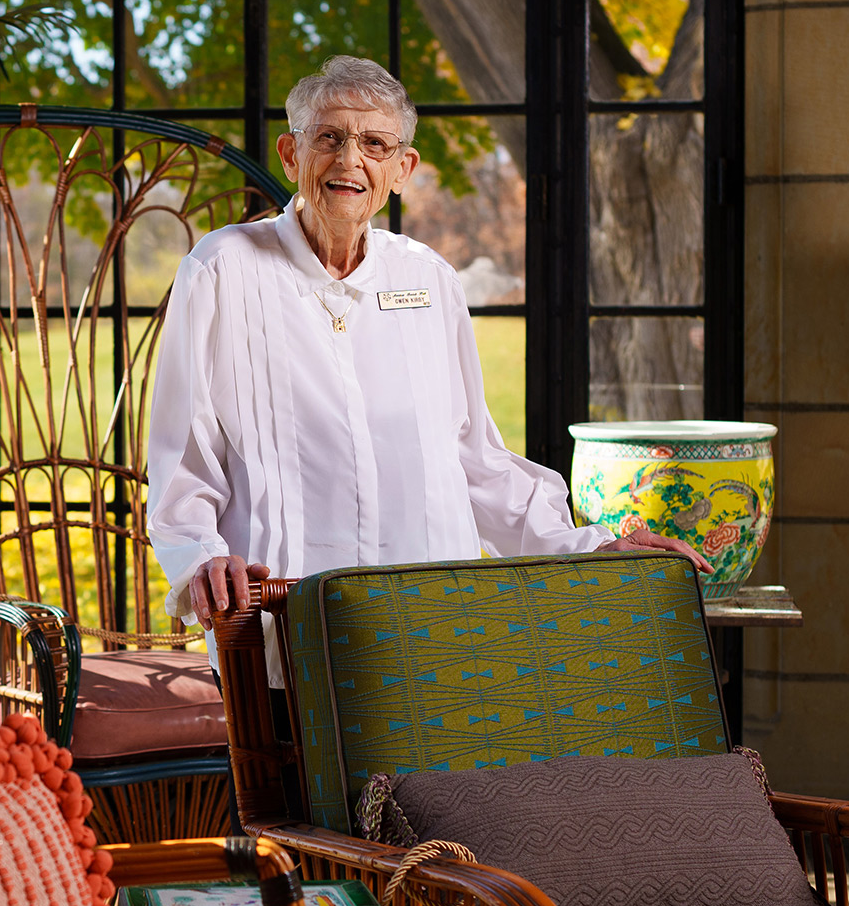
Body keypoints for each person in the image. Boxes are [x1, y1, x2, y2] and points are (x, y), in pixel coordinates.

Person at [147, 55, 708, 647]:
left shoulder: (430, 278)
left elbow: (475, 462)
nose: (349, 160)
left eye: (375, 144)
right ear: (291, 155)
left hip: (437, 633)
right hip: (277, 631)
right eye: (328, 139)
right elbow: (183, 459)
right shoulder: (223, 268)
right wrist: (201, 560)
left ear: (403, 168)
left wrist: (594, 543)